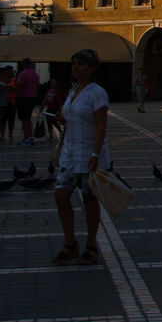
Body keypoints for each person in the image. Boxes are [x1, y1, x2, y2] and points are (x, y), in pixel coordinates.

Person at [52, 49, 110, 267]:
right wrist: (62, 117)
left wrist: (96, 152)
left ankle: (91, 245)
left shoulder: (97, 93)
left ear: (92, 68)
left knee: (89, 199)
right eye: (74, 63)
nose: (76, 67)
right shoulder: (74, 90)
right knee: (60, 195)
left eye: (82, 64)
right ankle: (70, 243)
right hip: (70, 153)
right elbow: (72, 116)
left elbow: (101, 125)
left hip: (88, 153)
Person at [15, 58, 40, 145]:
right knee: (28, 118)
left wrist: (16, 98)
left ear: (23, 64)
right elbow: (37, 85)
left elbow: (19, 86)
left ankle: (26, 138)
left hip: (23, 97)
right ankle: (31, 136)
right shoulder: (35, 74)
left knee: (24, 119)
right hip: (33, 97)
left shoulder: (23, 74)